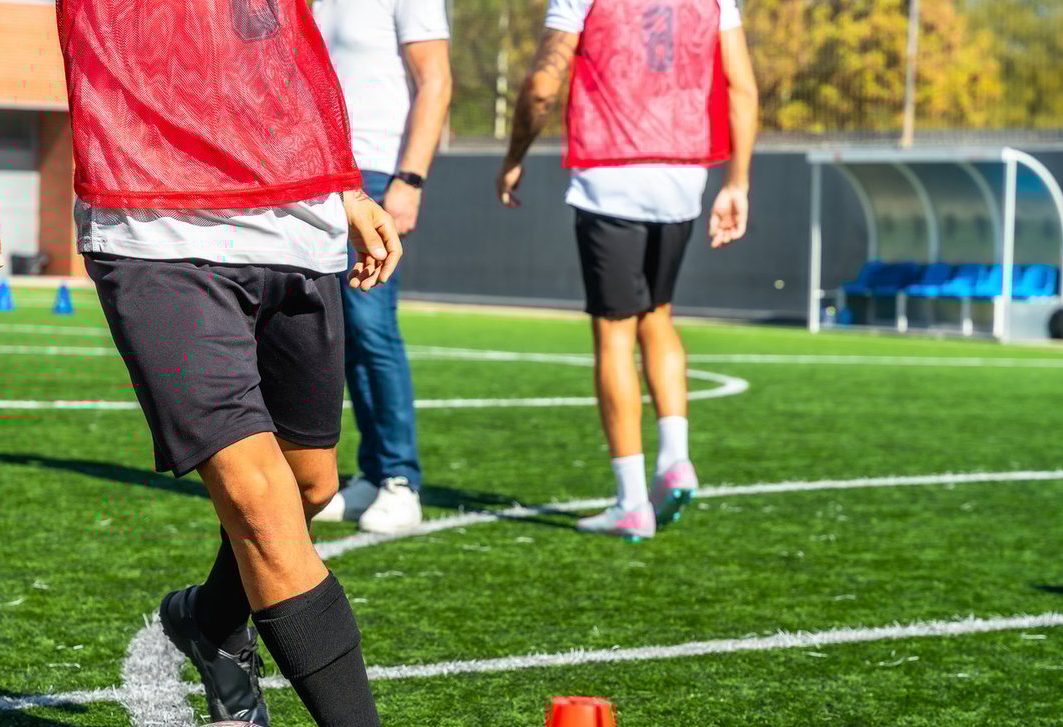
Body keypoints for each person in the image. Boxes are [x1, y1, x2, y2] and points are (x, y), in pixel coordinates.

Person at [0, 0, 424, 727]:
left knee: (310, 483)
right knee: (263, 505)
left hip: (297, 207)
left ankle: (209, 621)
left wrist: (340, 176)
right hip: (156, 222)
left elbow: (283, 27)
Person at [498, 0, 758, 540]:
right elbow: (742, 87)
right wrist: (738, 183)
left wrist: (514, 154)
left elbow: (544, 85)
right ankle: (676, 458)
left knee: (614, 334)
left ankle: (631, 501)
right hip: (683, 178)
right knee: (658, 315)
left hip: (611, 176)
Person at [311, 0, 452, 534]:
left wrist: (409, 179)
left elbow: (436, 81)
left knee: (373, 325)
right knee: (340, 330)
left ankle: (400, 480)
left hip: (372, 173)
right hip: (315, 176)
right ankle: (370, 474)